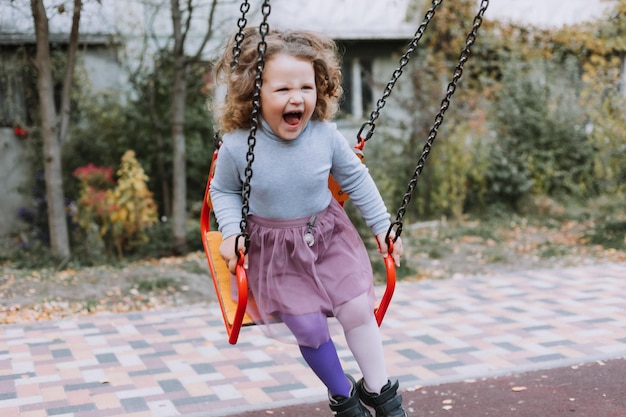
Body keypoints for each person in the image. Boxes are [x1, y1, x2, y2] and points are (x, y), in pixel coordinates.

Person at [210, 26, 408, 417]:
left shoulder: (325, 136)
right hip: (275, 251)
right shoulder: (237, 145)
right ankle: (343, 395)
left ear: (320, 88)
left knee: (356, 309)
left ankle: (378, 388)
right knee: (309, 328)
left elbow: (356, 178)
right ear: (255, 93)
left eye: (306, 87)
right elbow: (225, 192)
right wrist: (232, 231)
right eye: (282, 90)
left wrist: (382, 226)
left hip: (328, 237)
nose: (296, 98)